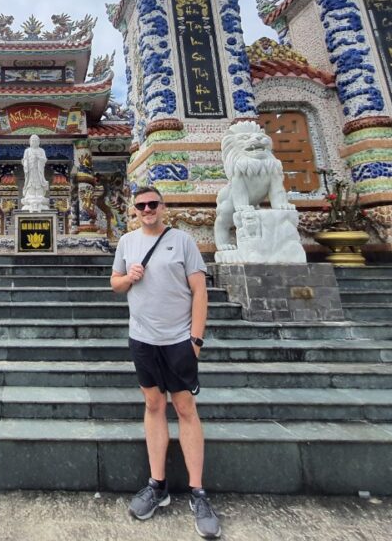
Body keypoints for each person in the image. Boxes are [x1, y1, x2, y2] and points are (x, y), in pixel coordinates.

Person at [110, 185, 220, 539]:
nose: (147, 209)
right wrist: (129, 278)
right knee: (153, 403)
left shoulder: (183, 241)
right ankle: (157, 484)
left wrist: (196, 341)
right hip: (142, 339)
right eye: (141, 205)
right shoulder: (127, 242)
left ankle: (198, 492)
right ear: (134, 208)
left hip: (178, 340)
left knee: (185, 406)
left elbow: (200, 290)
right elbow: (115, 283)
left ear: (163, 206)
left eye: (152, 203)